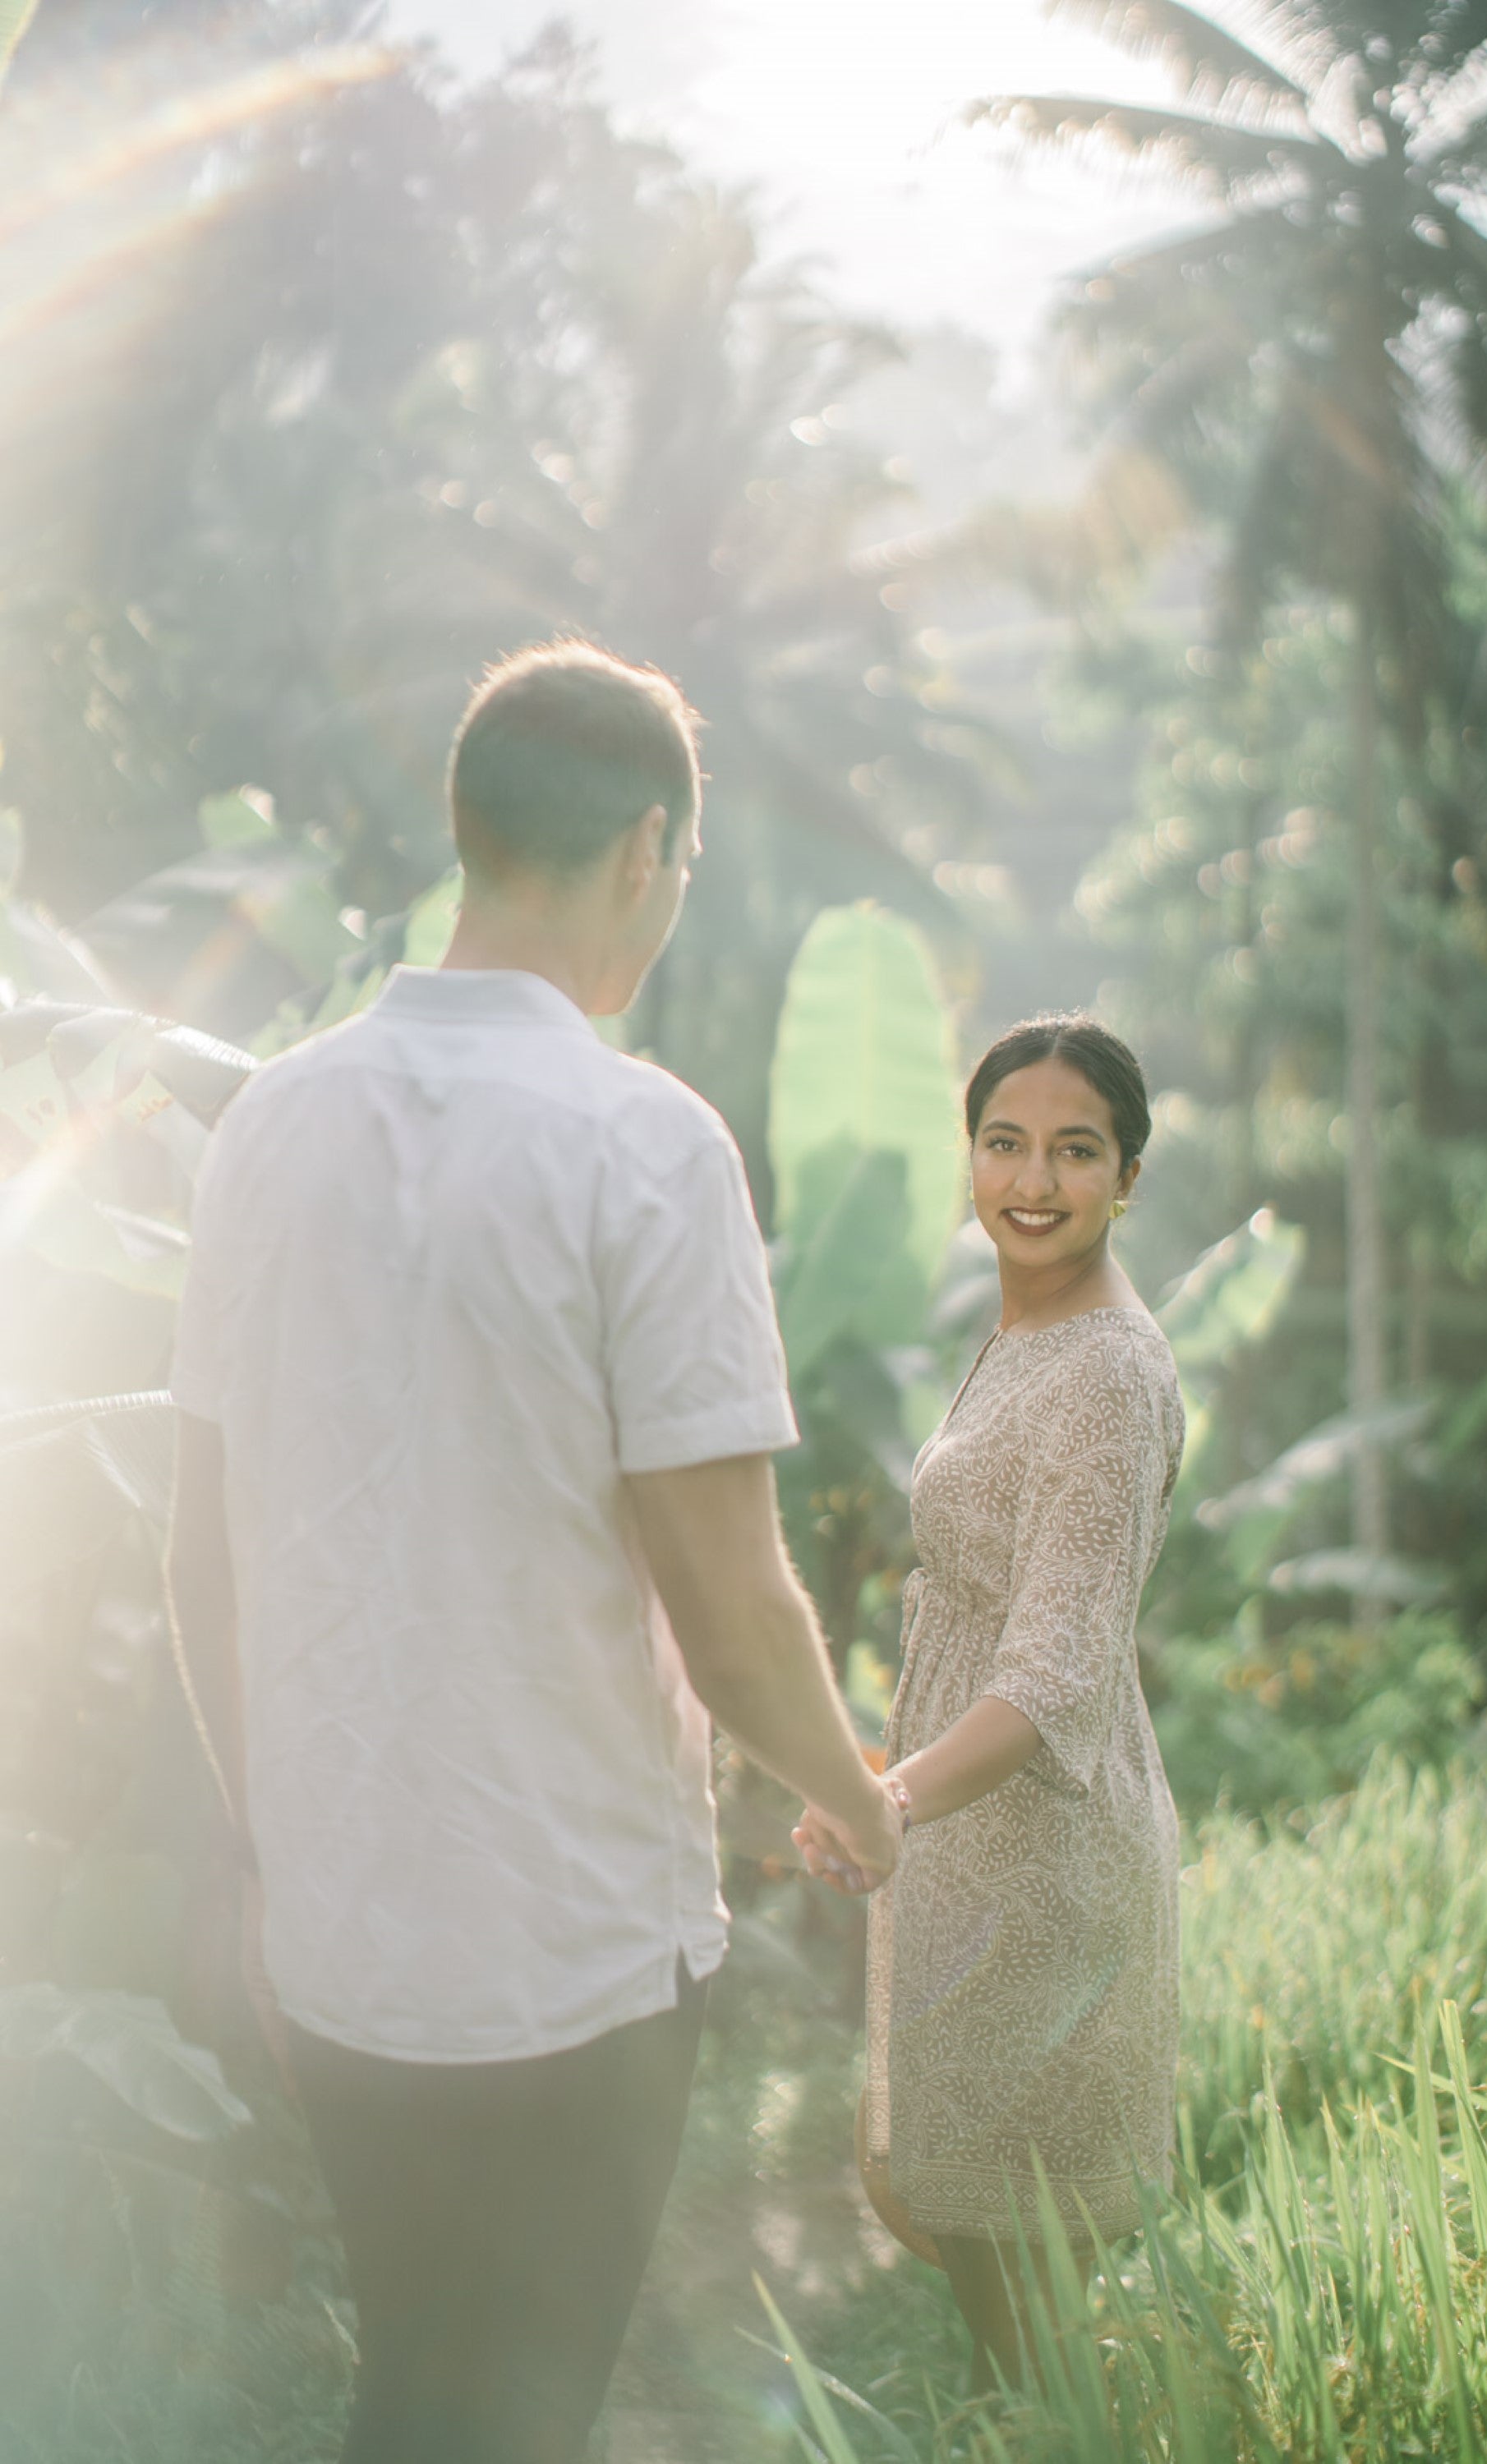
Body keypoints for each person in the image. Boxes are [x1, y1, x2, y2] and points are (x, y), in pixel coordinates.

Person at [164, 638, 903, 2464]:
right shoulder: (643, 1147)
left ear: (471, 828)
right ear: (647, 848)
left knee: (411, 2387)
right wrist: (866, 1811)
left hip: (342, 1936)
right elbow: (734, 1623)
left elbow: (204, 1549)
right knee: (515, 2416)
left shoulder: (269, 1123)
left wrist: (271, 1863)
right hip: (567, 1956)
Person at [794, 1014, 1185, 2390]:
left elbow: (1055, 1673)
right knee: (993, 2281)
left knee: (1028, 2309)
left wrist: (886, 1796)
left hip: (1040, 1866)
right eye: (1006, 1143)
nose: (1034, 1179)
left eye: (1076, 1151)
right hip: (969, 1843)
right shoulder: (1031, 1328)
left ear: (1127, 1176)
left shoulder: (1107, 1377)